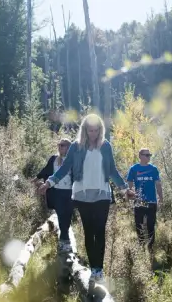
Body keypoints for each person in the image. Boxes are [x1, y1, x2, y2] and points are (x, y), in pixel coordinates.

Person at [38, 114, 135, 283]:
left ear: (100, 130)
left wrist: (125, 189)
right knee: (89, 232)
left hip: (102, 194)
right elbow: (65, 168)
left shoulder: (105, 146)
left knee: (100, 231)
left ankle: (99, 271)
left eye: (96, 130)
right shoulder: (76, 147)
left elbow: (112, 170)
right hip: (82, 195)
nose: (93, 134)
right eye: (90, 130)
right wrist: (48, 183)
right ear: (84, 130)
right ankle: (93, 269)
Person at [35, 139, 74, 251]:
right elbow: (46, 170)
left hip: (70, 192)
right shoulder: (54, 159)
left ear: (69, 147)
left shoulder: (73, 160)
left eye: (62, 145)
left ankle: (65, 235)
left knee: (68, 215)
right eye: (59, 145)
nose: (60, 147)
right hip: (57, 192)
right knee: (61, 214)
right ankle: (64, 239)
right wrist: (37, 178)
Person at [127, 148, 162, 253]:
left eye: (149, 155)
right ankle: (141, 248)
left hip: (151, 202)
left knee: (151, 226)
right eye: (146, 155)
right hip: (139, 202)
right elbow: (129, 184)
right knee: (139, 225)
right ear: (140, 156)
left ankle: (150, 249)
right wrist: (130, 195)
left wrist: (161, 198)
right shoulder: (133, 169)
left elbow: (158, 184)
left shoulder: (153, 169)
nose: (148, 157)